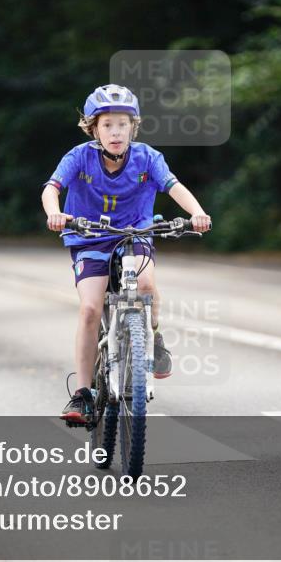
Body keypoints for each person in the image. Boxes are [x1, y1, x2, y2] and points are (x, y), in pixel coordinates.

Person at [41, 84, 211, 423]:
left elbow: (175, 187)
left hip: (135, 233)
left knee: (146, 285)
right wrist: (54, 213)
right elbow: (52, 188)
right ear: (94, 128)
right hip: (89, 238)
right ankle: (84, 394)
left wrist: (197, 213)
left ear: (133, 127)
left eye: (123, 124)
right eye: (107, 125)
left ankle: (154, 335)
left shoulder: (148, 157)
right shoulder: (79, 157)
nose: (116, 132)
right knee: (90, 308)